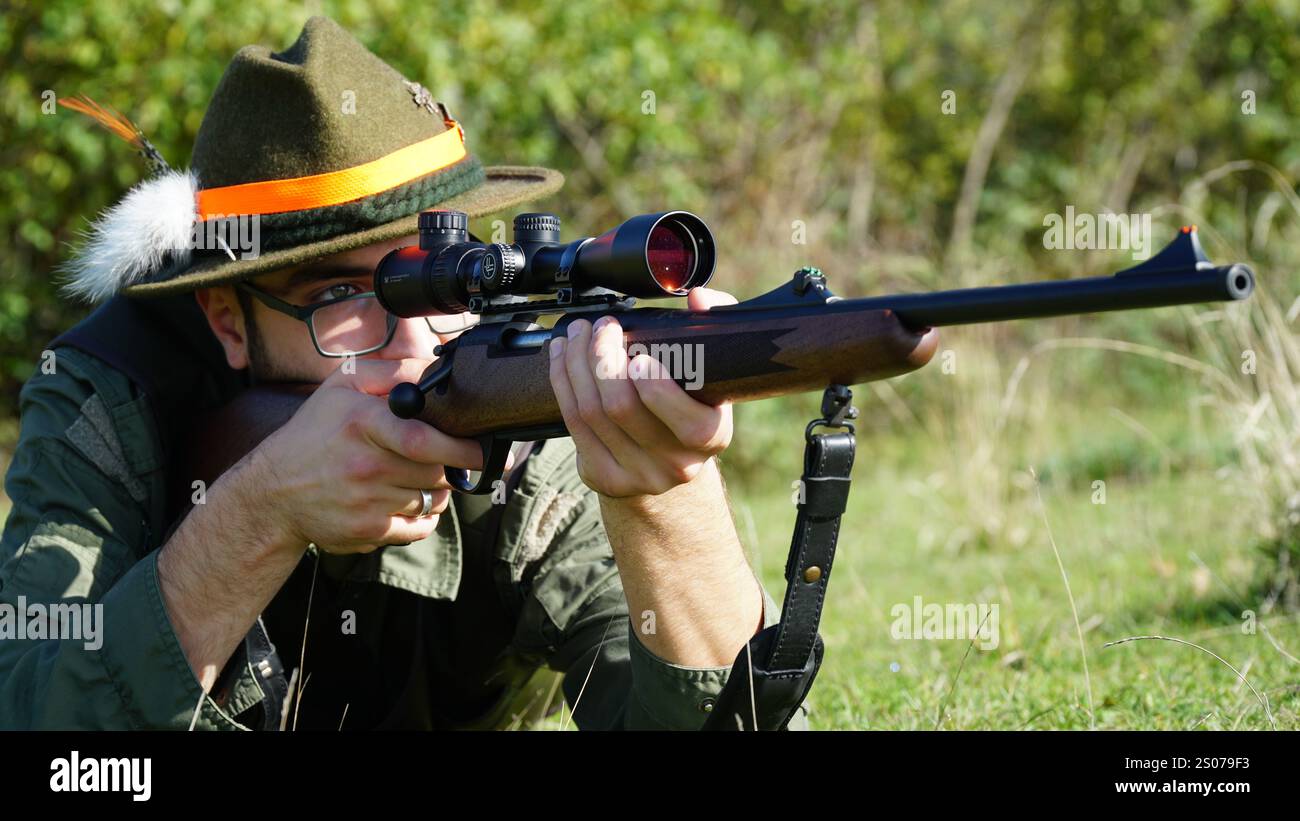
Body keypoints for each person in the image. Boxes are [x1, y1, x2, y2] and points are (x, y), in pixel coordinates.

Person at [0, 16, 799, 730]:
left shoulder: (529, 408)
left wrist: (667, 500)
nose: (418, 342)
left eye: (452, 279)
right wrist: (254, 515)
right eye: (346, 292)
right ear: (222, 318)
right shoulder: (111, 407)